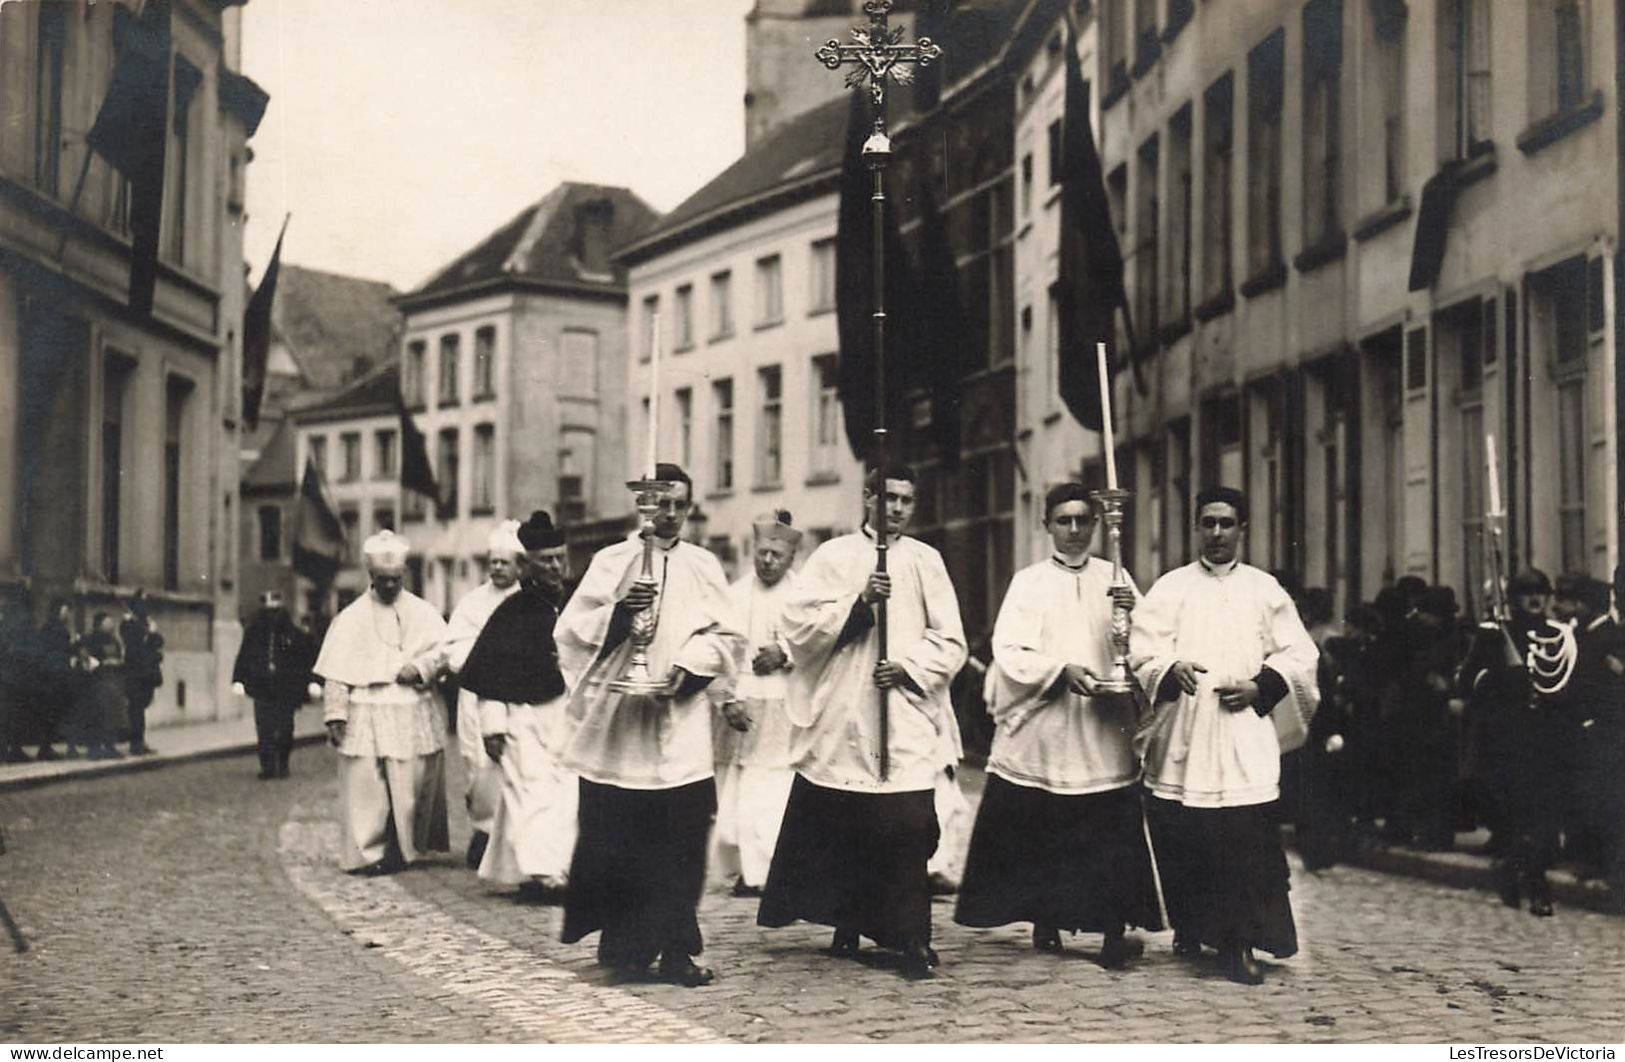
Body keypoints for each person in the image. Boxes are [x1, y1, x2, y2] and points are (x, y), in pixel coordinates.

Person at [758, 465, 968, 980]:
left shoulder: (926, 561)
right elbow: (798, 626)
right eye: (888, 497)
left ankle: (912, 935)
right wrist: (860, 603)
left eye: (906, 500)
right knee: (847, 823)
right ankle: (847, 921)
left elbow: (952, 639)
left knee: (908, 824)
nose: (896, 509)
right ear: (868, 497)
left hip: (904, 707)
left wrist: (910, 667)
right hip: (847, 710)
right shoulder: (834, 557)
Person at [954, 483, 1162, 967]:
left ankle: (1114, 929)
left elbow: (1145, 641)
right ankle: (1046, 915)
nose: (1074, 531)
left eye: (1082, 521)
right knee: (1043, 827)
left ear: (1095, 524)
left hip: (1100, 728)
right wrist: (1058, 671)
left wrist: (1130, 616)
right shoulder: (1029, 583)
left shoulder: (1116, 575)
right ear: (1046, 524)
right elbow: (1010, 649)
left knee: (1107, 829)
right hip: (1047, 722)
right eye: (1063, 521)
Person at [555, 463, 745, 987]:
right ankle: (627, 941)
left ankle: (680, 952)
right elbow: (570, 633)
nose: (671, 514)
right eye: (662, 503)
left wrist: (690, 669)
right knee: (623, 845)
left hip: (680, 726)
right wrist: (617, 613)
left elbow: (727, 636)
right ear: (645, 504)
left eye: (681, 504)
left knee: (681, 845)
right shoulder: (613, 560)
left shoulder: (704, 565)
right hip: (622, 732)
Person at [1132, 486, 1319, 985]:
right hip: (1189, 734)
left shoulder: (1265, 590)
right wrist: (1170, 669)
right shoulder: (1171, 588)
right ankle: (1194, 927)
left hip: (1241, 732)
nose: (1217, 533)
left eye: (1226, 524)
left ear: (1243, 529)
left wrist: (1262, 685)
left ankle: (1239, 943)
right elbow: (1143, 649)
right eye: (1208, 523)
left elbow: (1300, 655)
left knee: (1244, 840)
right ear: (1197, 527)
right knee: (1189, 837)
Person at [313, 530, 451, 875]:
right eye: (383, 580)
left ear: (403, 576)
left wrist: (419, 668)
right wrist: (335, 715)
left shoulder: (423, 612)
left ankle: (405, 849)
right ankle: (368, 853)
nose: (390, 587)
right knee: (366, 785)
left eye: (396, 580)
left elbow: (444, 653)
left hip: (411, 708)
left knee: (410, 785)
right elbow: (337, 673)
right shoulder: (350, 618)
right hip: (366, 710)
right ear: (371, 577)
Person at [461, 511, 579, 898]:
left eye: (561, 558)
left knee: (565, 795)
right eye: (547, 560)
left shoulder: (576, 602)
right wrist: (492, 725)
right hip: (523, 718)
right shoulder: (512, 612)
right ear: (528, 564)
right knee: (530, 794)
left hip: (567, 716)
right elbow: (487, 673)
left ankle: (555, 866)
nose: (557, 567)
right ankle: (543, 874)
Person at [1461, 568, 1575, 915]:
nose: (1535, 599)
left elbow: (1569, 686)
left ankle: (1536, 884)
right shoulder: (1495, 636)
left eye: (1541, 592)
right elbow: (1468, 682)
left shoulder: (1560, 636)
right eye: (1527, 593)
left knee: (1543, 818)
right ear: (1514, 599)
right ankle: (1515, 874)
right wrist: (1499, 679)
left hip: (1545, 741)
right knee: (1513, 818)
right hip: (1507, 742)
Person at [714, 510, 802, 897]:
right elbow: (719, 649)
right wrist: (728, 699)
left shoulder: (805, 596)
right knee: (742, 787)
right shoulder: (733, 596)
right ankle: (748, 871)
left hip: (788, 703)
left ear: (791, 559)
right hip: (745, 705)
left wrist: (785, 652)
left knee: (779, 785)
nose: (768, 561)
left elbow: (820, 641)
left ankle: (777, 871)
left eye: (776, 556)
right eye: (763, 553)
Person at [445, 521, 525, 869]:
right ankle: (482, 830)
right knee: (477, 765)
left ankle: (509, 838)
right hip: (477, 695)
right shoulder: (471, 603)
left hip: (516, 696)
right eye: (493, 561)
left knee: (513, 766)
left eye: (504, 562)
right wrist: (481, 663)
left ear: (519, 565)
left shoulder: (529, 601)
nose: (497, 568)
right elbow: (456, 647)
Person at [1553, 574, 1625, 900]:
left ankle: (1599, 861)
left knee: (1601, 799)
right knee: (1584, 796)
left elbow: (1606, 690)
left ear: (1584, 604)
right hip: (1581, 731)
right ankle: (1587, 857)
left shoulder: (1609, 637)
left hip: (1601, 732)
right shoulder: (1582, 635)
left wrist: (1591, 722)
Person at [1388, 586, 1469, 850]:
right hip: (1421, 717)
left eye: (1427, 613)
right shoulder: (1421, 637)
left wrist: (1443, 686)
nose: (1422, 618)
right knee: (1424, 776)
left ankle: (1438, 833)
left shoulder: (1452, 641)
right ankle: (1426, 830)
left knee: (1438, 778)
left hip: (1439, 718)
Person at [232, 591, 318, 780]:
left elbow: (306, 659)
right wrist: (238, 679)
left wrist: (312, 682)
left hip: (285, 690)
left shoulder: (293, 634)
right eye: (268, 612)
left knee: (286, 728)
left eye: (275, 612)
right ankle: (268, 766)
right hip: (262, 689)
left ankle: (283, 762)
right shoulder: (254, 634)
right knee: (264, 730)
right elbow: (244, 657)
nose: (272, 617)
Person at [78, 613, 130, 761]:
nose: (112, 625)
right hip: (97, 682)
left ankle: (109, 746)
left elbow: (120, 657)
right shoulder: (91, 639)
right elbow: (88, 660)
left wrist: (118, 662)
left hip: (114, 683)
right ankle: (94, 748)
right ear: (100, 624)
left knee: (113, 717)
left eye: (112, 622)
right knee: (97, 716)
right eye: (108, 622)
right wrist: (104, 663)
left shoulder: (114, 640)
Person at [120, 591, 164, 756]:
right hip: (136, 673)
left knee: (142, 707)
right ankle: (135, 743)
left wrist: (152, 632)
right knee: (136, 709)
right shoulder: (129, 624)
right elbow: (134, 645)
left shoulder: (146, 623)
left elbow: (159, 641)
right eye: (141, 603)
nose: (144, 607)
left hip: (147, 673)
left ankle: (140, 740)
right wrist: (149, 634)